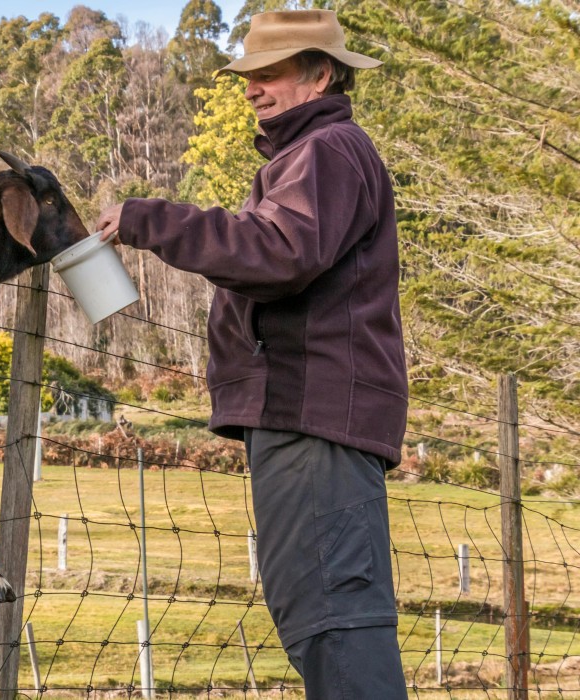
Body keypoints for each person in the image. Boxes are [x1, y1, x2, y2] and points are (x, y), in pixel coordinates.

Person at [95, 9, 408, 698]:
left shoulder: (327, 151)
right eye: (248, 76)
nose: (252, 90)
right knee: (321, 618)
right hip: (306, 416)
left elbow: (278, 252)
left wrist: (154, 219)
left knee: (335, 625)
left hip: (314, 417)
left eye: (269, 74)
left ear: (320, 73)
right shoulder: (313, 155)